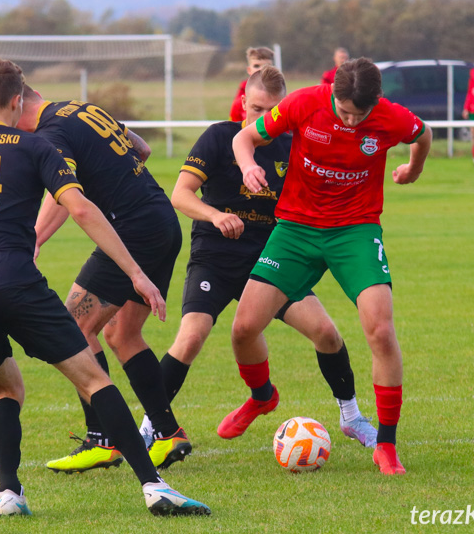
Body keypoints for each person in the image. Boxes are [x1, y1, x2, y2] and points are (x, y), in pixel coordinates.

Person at [0, 57, 210, 517]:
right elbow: (104, 185)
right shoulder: (56, 129)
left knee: (6, 390)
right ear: (17, 98)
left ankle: (13, 492)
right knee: (98, 365)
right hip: (44, 270)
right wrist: (135, 272)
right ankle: (153, 480)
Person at [138, 66, 378, 449]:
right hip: (215, 257)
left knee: (327, 333)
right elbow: (180, 194)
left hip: (272, 258)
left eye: (270, 111)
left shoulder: (294, 144)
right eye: (254, 108)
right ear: (243, 103)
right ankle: (152, 425)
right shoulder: (220, 138)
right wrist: (216, 215)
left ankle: (352, 417)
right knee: (191, 336)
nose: (259, 118)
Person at [226, 57, 432, 476]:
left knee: (380, 328)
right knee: (244, 329)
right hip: (296, 230)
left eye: (361, 114)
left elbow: (422, 134)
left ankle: (386, 446)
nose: (352, 121)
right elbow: (244, 139)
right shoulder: (304, 104)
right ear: (333, 96)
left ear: (376, 103)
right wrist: (249, 166)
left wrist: (413, 168)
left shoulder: (391, 117)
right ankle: (262, 395)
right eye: (344, 112)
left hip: (354, 231)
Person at [17, 87, 192, 474]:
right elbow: (142, 149)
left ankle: (102, 439)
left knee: (74, 326)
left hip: (134, 231)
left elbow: (70, 198)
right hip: (161, 220)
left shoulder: (49, 134)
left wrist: (33, 239)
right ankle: (168, 432)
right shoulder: (80, 108)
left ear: (16, 105)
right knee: (121, 335)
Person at [229, 46, 275, 122]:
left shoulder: (280, 98)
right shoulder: (239, 102)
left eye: (266, 66)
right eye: (256, 66)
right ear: (249, 70)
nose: (261, 69)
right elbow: (233, 128)